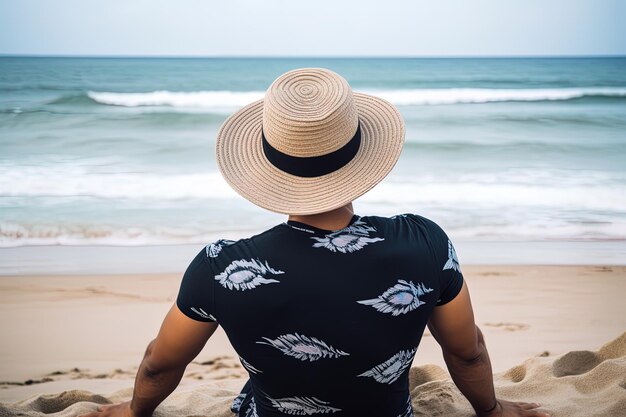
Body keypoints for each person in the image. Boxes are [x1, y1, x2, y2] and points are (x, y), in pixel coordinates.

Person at [81, 68, 549, 417]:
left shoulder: (220, 267)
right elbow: (467, 350)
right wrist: (491, 410)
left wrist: (134, 410)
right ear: (361, 155)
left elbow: (161, 365)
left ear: (269, 167)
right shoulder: (425, 242)